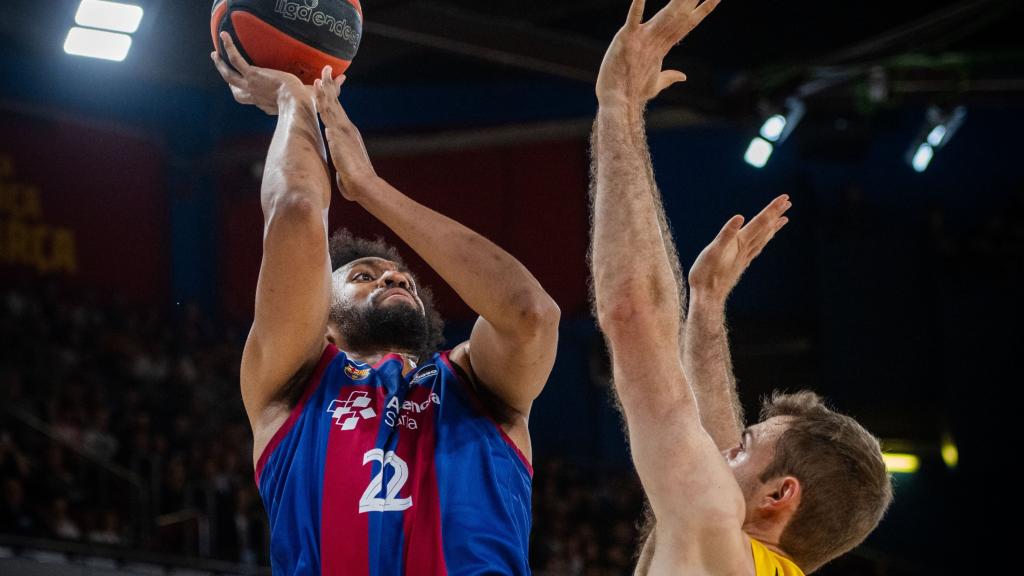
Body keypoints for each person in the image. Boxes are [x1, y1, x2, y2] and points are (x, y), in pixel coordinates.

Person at [212, 31, 559, 574]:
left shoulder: (474, 382)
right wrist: (293, 101)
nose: (392, 276)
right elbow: (298, 210)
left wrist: (369, 187)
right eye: (363, 275)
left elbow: (531, 314)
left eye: (399, 275)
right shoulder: (291, 384)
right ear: (321, 319)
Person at [587, 1, 893, 574]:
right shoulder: (753, 559)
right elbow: (708, 441)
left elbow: (633, 314)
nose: (721, 449)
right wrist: (704, 309)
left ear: (780, 497)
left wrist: (619, 107)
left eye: (744, 447)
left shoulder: (713, 531)